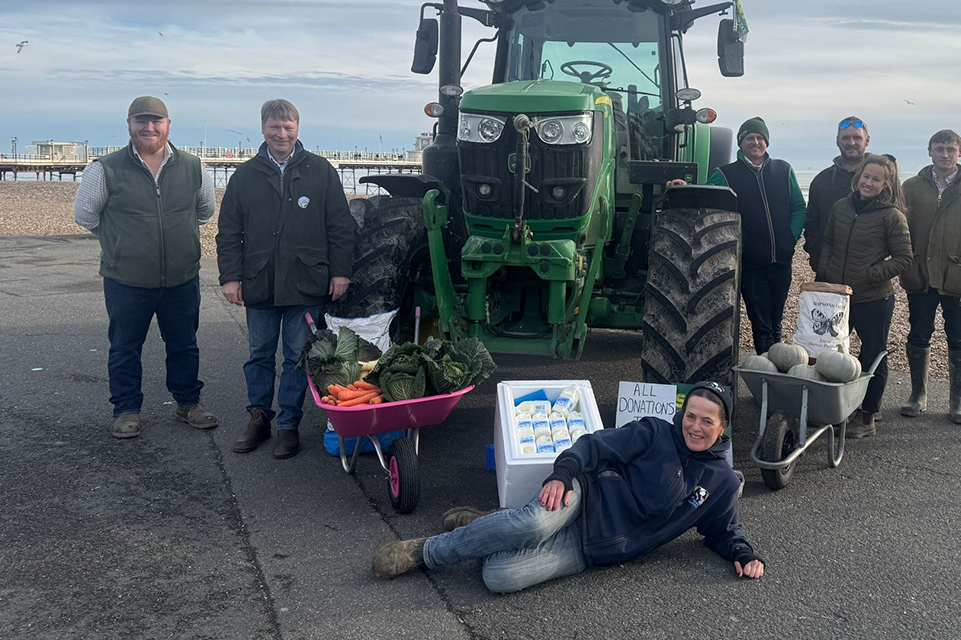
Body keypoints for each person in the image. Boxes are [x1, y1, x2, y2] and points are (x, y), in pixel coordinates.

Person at [372, 382, 765, 593]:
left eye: (707, 421)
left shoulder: (723, 481)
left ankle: (494, 525)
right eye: (690, 416)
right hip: (584, 498)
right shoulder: (653, 432)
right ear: (682, 413)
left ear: (723, 426)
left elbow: (723, 529)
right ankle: (426, 552)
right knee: (534, 526)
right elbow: (593, 445)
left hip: (596, 548)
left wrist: (743, 551)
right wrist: (563, 474)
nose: (695, 427)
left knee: (500, 578)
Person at [216, 99, 355, 458]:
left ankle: (288, 426)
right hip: (259, 282)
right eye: (275, 127)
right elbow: (229, 231)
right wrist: (230, 277)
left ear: (297, 129)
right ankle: (259, 418)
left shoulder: (321, 172)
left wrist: (340, 272)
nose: (281, 134)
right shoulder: (245, 176)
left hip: (306, 283)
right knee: (259, 355)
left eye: (288, 127)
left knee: (296, 357)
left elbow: (340, 227)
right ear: (263, 128)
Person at [73, 96, 219, 439]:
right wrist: (122, 242)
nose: (149, 127)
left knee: (184, 344)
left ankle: (188, 404)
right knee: (125, 347)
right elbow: (85, 216)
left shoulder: (194, 167)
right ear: (129, 124)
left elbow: (204, 212)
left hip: (182, 277)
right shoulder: (104, 168)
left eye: (156, 121)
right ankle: (125, 411)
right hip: (126, 279)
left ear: (168, 125)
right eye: (141, 120)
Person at [898, 130, 961, 425]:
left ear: (960, 153)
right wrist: (908, 263)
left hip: (960, 282)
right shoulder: (911, 187)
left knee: (959, 339)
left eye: (950, 149)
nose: (945, 154)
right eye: (939, 148)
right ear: (929, 151)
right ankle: (918, 395)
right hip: (920, 278)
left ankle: (958, 401)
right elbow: (898, 227)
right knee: (918, 334)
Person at [816, 154, 913, 439]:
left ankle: (869, 414)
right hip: (839, 296)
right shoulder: (841, 207)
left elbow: (904, 258)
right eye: (865, 177)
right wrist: (825, 269)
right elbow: (828, 242)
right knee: (834, 352)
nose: (868, 183)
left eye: (876, 179)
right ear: (858, 177)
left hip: (874, 298)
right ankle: (839, 407)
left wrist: (871, 274)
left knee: (872, 355)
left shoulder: (892, 216)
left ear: (886, 185)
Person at [706, 117, 807, 355]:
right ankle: (767, 377)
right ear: (740, 143)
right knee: (762, 326)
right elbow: (706, 201)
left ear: (767, 142)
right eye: (750, 137)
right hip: (751, 264)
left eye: (760, 138)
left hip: (781, 262)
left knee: (777, 323)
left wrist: (789, 239)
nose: (756, 142)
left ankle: (772, 375)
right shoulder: (726, 174)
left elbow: (799, 208)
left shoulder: (784, 170)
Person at [803, 116, 872, 274]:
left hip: (870, 278)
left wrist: (878, 267)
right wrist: (816, 256)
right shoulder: (822, 180)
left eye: (857, 137)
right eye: (846, 138)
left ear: (867, 141)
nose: (851, 142)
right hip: (828, 271)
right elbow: (811, 223)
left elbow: (895, 223)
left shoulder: (880, 180)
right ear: (837, 141)